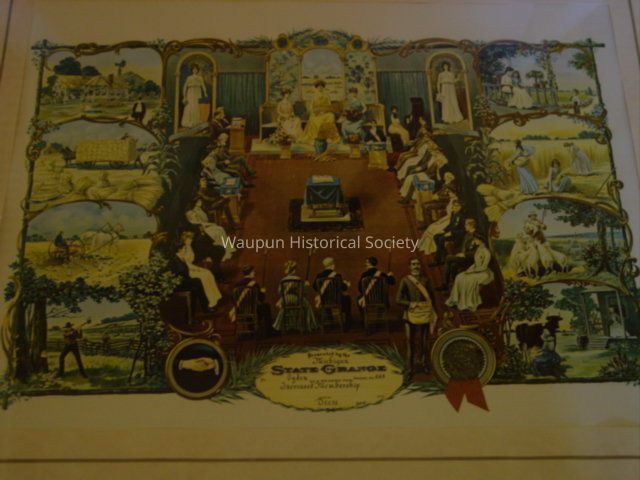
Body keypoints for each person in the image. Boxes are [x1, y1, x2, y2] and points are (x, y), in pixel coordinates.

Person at [396, 258, 437, 377]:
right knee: (410, 341)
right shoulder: (405, 280)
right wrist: (410, 304)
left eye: (418, 264)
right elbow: (398, 299)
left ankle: (425, 365)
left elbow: (432, 298)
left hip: (424, 313)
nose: (416, 266)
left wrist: (433, 312)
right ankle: (409, 369)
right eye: (413, 264)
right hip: (410, 314)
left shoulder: (426, 280)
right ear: (410, 266)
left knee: (424, 341)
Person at [445, 236, 494, 312]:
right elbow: (475, 263)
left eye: (476, 239)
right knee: (459, 277)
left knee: (469, 280)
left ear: (481, 241)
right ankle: (457, 300)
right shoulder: (478, 249)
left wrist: (473, 271)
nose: (474, 241)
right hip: (475, 270)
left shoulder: (486, 252)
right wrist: (469, 270)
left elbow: (484, 267)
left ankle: (469, 303)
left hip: (483, 273)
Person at [176, 231, 222, 310]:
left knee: (208, 273)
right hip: (188, 270)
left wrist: (199, 269)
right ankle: (209, 301)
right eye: (189, 239)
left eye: (191, 238)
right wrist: (198, 269)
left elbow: (191, 260)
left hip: (191, 268)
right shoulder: (182, 249)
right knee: (204, 276)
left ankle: (214, 298)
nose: (191, 240)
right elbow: (186, 264)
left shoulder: (189, 247)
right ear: (185, 240)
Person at [273, 261, 317, 332]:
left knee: (284, 308)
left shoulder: (283, 280)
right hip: (296, 299)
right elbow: (303, 293)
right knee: (308, 306)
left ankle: (282, 327)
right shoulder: (298, 279)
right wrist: (306, 286)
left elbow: (280, 292)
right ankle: (310, 326)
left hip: (285, 300)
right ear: (294, 270)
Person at [437, 218, 478, 291]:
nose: (464, 226)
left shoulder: (477, 235)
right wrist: (460, 253)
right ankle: (456, 286)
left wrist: (464, 254)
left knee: (448, 258)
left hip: (470, 258)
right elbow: (463, 247)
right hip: (463, 257)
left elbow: (478, 252)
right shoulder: (467, 234)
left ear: (471, 225)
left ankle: (445, 284)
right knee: (453, 265)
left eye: (466, 225)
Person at [232, 265, 273, 336]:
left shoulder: (237, 285)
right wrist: (263, 292)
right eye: (253, 271)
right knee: (266, 306)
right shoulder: (255, 284)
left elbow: (233, 299)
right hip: (252, 310)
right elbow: (261, 299)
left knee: (254, 308)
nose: (254, 273)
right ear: (250, 272)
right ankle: (269, 331)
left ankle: (251, 329)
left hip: (240, 310)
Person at [313, 257, 352, 328]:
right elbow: (343, 288)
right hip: (336, 300)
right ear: (332, 265)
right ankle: (347, 323)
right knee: (347, 298)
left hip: (323, 300)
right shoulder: (337, 275)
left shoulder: (319, 276)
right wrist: (347, 284)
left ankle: (330, 321)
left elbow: (315, 287)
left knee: (327, 301)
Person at [299, 80, 340, 144]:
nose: (320, 88)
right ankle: (315, 137)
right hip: (316, 113)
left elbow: (329, 106)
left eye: (321, 87)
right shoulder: (313, 96)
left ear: (323, 87)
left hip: (325, 113)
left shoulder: (326, 96)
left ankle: (329, 136)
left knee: (331, 116)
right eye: (318, 87)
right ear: (316, 87)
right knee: (314, 120)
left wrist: (325, 111)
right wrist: (316, 112)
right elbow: (311, 108)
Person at [181, 63, 207, 128]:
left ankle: (196, 121)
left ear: (197, 70)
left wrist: (205, 93)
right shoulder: (189, 78)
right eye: (193, 69)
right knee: (190, 106)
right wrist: (184, 96)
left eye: (196, 69)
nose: (195, 70)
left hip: (197, 92)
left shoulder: (200, 78)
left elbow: (203, 85)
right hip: (190, 93)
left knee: (197, 106)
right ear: (192, 70)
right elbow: (185, 86)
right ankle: (189, 121)